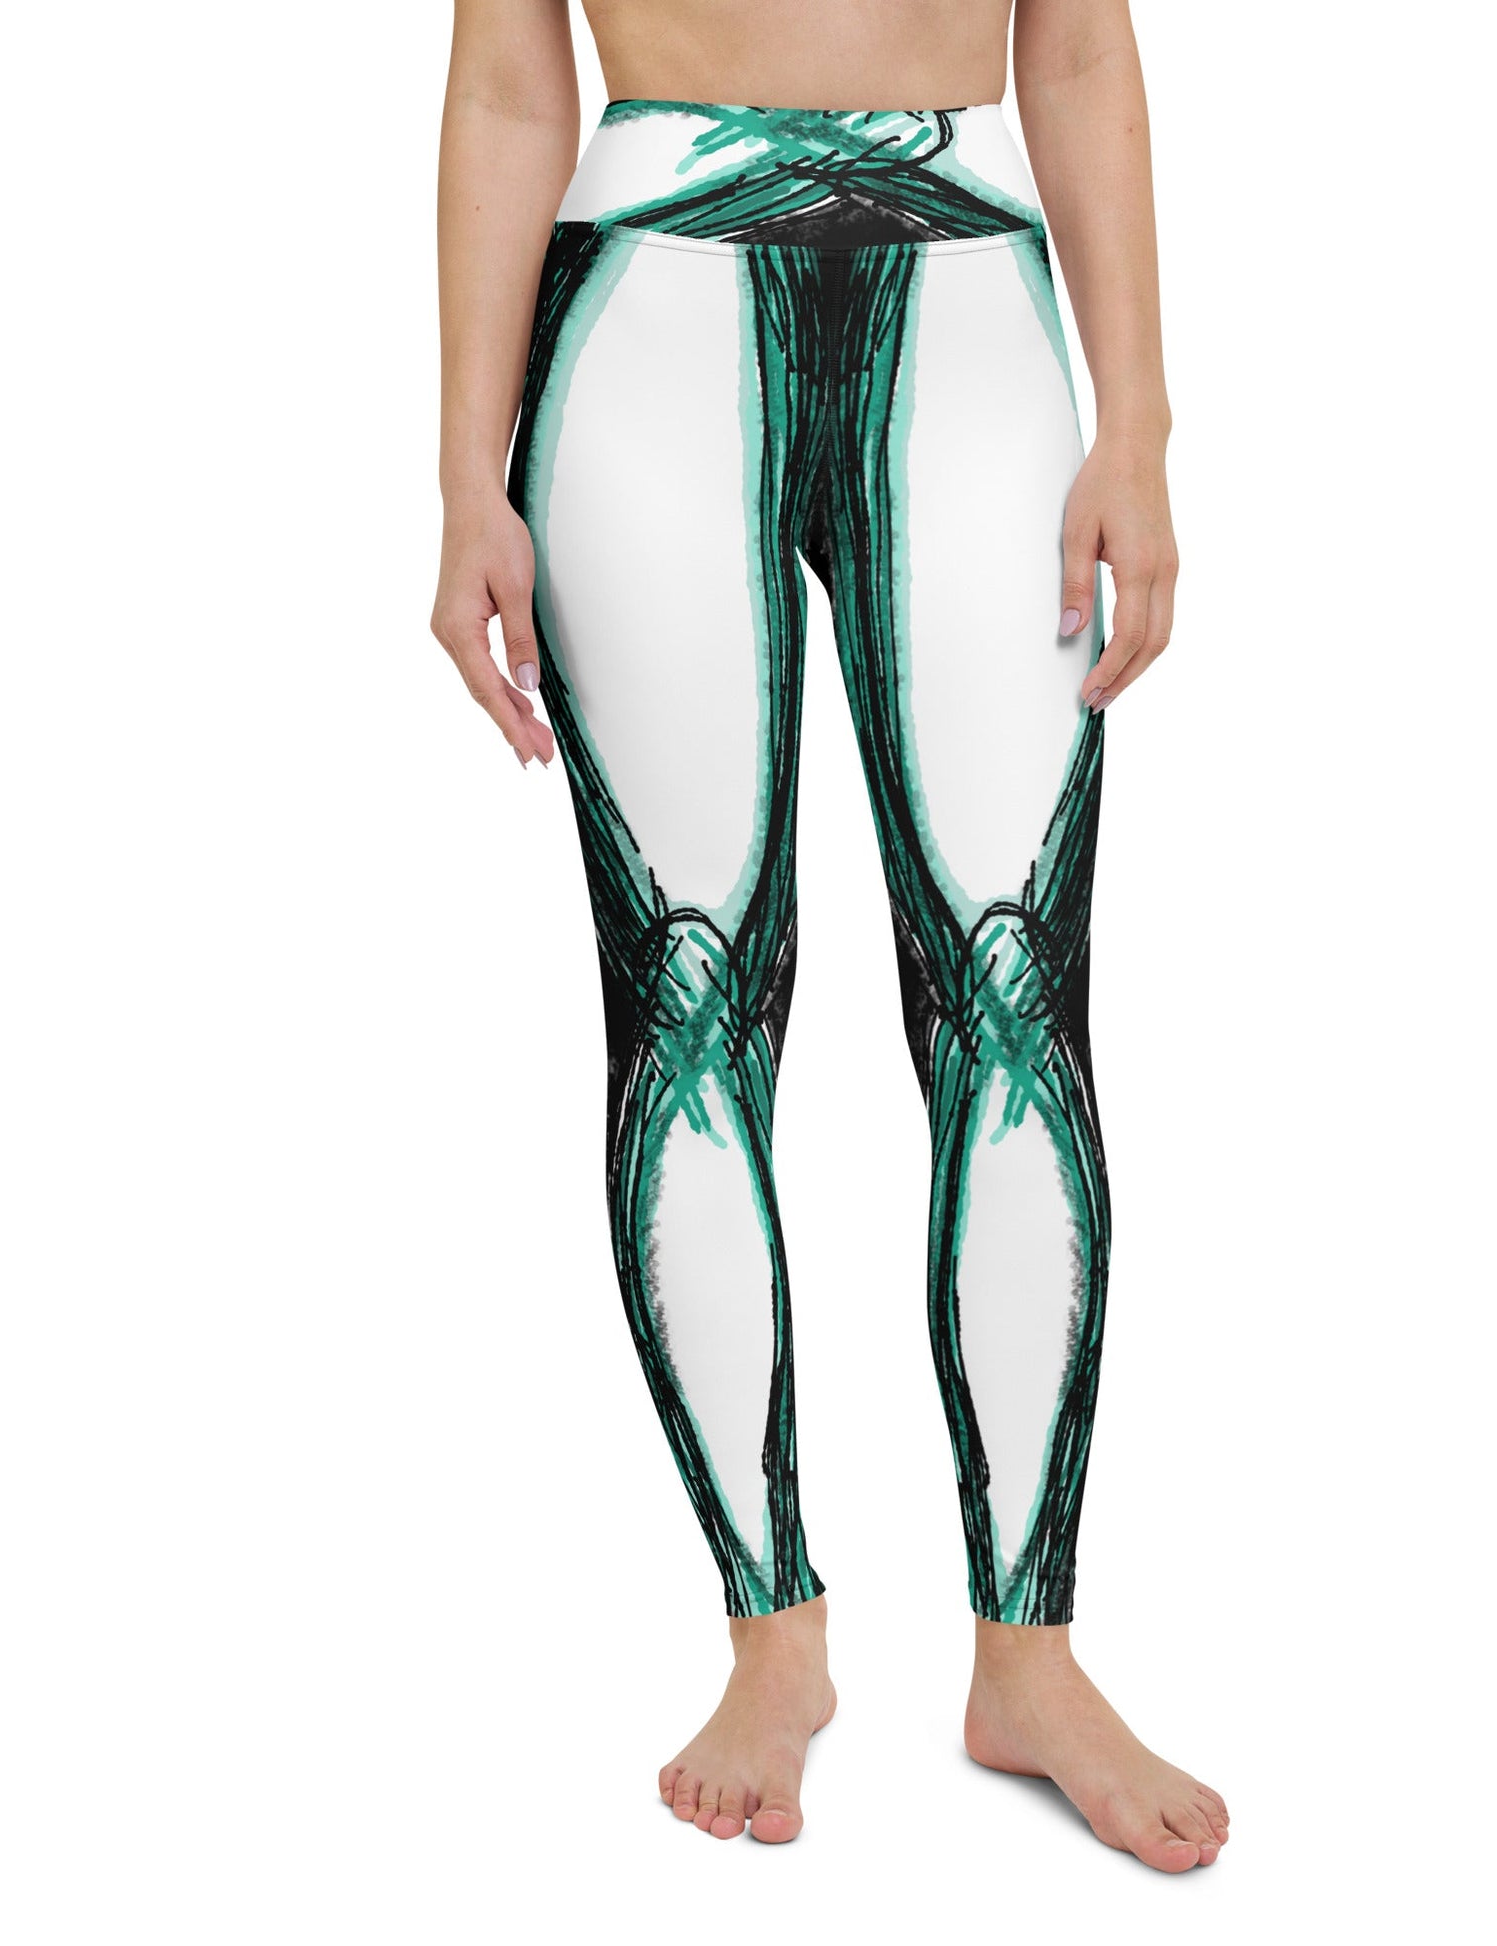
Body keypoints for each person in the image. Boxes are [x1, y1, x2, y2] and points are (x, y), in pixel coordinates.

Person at [430, 0, 1227, 1872]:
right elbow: (506, 78)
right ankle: (768, 1632)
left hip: (970, 307)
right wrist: (466, 470)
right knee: (689, 998)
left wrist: (1137, 425)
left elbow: (1078, 50)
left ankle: (1027, 1656)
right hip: (643, 317)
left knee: (1012, 994)